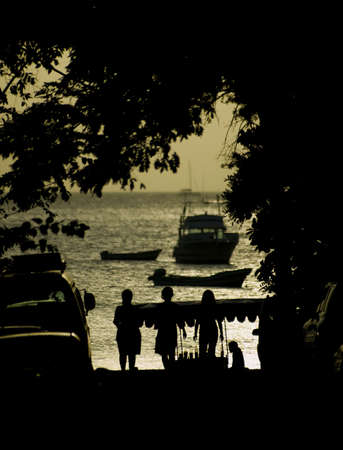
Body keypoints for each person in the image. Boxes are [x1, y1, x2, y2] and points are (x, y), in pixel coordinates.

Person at [155, 286, 187, 370]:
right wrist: (183, 330)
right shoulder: (175, 306)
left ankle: (167, 368)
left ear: (163, 295)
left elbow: (157, 321)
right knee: (171, 352)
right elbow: (179, 320)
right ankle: (171, 369)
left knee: (164, 354)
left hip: (162, 331)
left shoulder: (160, 307)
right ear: (171, 295)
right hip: (172, 331)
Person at [113, 289, 141, 371]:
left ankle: (123, 370)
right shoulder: (135, 309)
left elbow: (115, 321)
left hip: (122, 333)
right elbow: (139, 323)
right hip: (133, 333)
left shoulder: (119, 309)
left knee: (123, 354)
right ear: (131, 298)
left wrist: (121, 326)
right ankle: (130, 369)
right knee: (131, 354)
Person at [193, 289, 223, 359]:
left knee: (202, 352)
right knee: (211, 352)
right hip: (213, 329)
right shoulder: (214, 307)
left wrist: (195, 333)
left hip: (203, 330)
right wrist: (221, 333)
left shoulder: (201, 307)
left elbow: (197, 322)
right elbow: (219, 321)